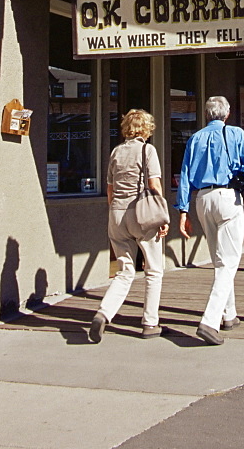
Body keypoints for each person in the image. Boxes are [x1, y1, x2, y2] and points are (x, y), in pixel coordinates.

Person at [176, 95, 244, 345]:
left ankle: (229, 314)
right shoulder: (236, 134)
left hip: (202, 198)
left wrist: (183, 210)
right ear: (227, 113)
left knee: (219, 259)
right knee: (229, 261)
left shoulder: (195, 138)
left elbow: (184, 175)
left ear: (206, 114)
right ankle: (210, 321)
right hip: (227, 196)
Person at [89, 108, 168, 342]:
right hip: (141, 213)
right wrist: (163, 217)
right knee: (154, 269)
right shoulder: (148, 150)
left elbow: (110, 189)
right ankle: (150, 322)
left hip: (117, 214)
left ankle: (104, 312)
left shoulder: (116, 152)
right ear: (146, 129)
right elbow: (154, 184)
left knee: (124, 270)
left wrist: (115, 211)